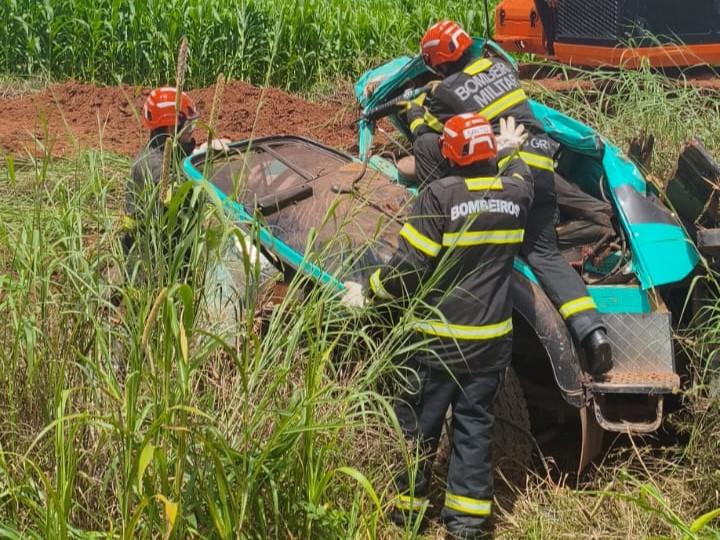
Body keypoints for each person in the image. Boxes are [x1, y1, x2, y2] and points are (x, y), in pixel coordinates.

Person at [400, 20, 612, 375]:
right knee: (544, 254)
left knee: (426, 145)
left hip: (507, 170)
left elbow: (439, 141)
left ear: (437, 62)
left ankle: (438, 223)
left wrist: (415, 112)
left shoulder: (445, 93)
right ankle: (593, 333)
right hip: (542, 170)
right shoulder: (501, 68)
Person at [357, 113, 533, 538]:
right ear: (489, 151)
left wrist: (370, 290)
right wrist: (511, 151)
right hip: (490, 344)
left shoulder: (439, 196)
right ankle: (467, 525)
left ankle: (407, 514)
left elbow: (409, 270)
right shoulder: (516, 195)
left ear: (450, 155)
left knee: (418, 427)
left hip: (437, 342)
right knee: (474, 430)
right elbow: (522, 174)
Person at [123, 87, 200, 256]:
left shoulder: (165, 152)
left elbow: (185, 157)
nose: (193, 130)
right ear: (171, 129)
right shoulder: (152, 166)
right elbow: (184, 196)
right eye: (189, 125)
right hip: (149, 259)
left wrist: (207, 153)